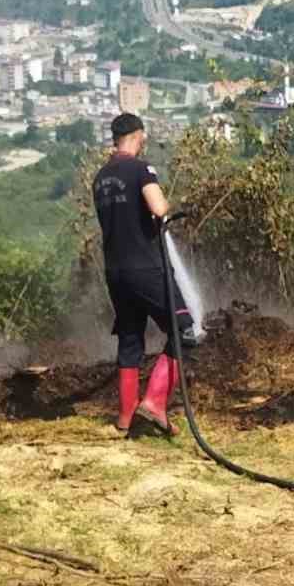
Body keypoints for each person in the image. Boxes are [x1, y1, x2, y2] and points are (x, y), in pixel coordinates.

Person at [92, 112, 192, 436]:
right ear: (138, 135)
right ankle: (155, 401)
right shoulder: (140, 169)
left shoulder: (101, 178)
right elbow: (159, 208)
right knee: (184, 331)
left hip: (115, 271)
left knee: (130, 339)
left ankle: (124, 421)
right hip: (146, 268)